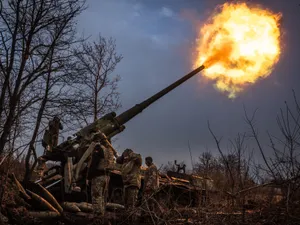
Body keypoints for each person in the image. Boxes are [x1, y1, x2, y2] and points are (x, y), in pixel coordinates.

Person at [86, 134, 117, 217]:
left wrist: (88, 177)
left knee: (96, 196)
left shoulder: (99, 148)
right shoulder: (110, 151)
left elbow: (94, 163)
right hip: (107, 177)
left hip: (98, 176)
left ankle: (98, 217)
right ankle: (102, 215)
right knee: (103, 197)